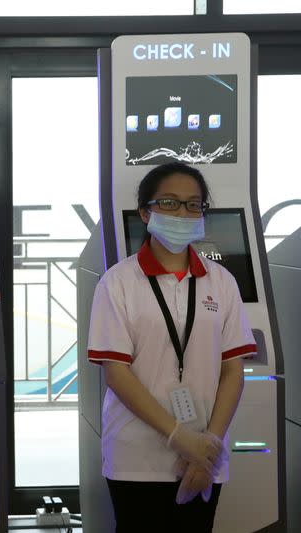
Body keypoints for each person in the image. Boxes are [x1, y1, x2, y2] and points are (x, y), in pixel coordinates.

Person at [87, 162, 253, 532]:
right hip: (137, 456)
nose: (184, 213)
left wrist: (206, 444)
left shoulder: (221, 281)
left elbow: (233, 370)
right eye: (170, 203)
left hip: (205, 458)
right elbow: (117, 372)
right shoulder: (118, 283)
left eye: (194, 205)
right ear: (146, 212)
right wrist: (180, 438)